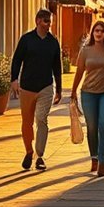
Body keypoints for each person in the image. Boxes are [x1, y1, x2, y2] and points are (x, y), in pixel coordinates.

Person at [10, 9, 62, 171]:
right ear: (38, 21)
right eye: (46, 21)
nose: (49, 24)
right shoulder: (26, 40)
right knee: (27, 122)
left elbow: (57, 67)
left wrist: (59, 89)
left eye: (50, 21)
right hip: (26, 87)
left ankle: (40, 156)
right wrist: (14, 80)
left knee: (41, 119)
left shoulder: (53, 42)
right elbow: (17, 59)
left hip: (46, 87)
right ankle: (28, 151)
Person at [70, 20, 104, 177]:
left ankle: (103, 162)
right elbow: (79, 73)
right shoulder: (85, 50)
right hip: (88, 93)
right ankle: (94, 157)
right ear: (93, 33)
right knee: (92, 127)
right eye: (96, 30)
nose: (99, 33)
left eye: (102, 31)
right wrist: (73, 92)